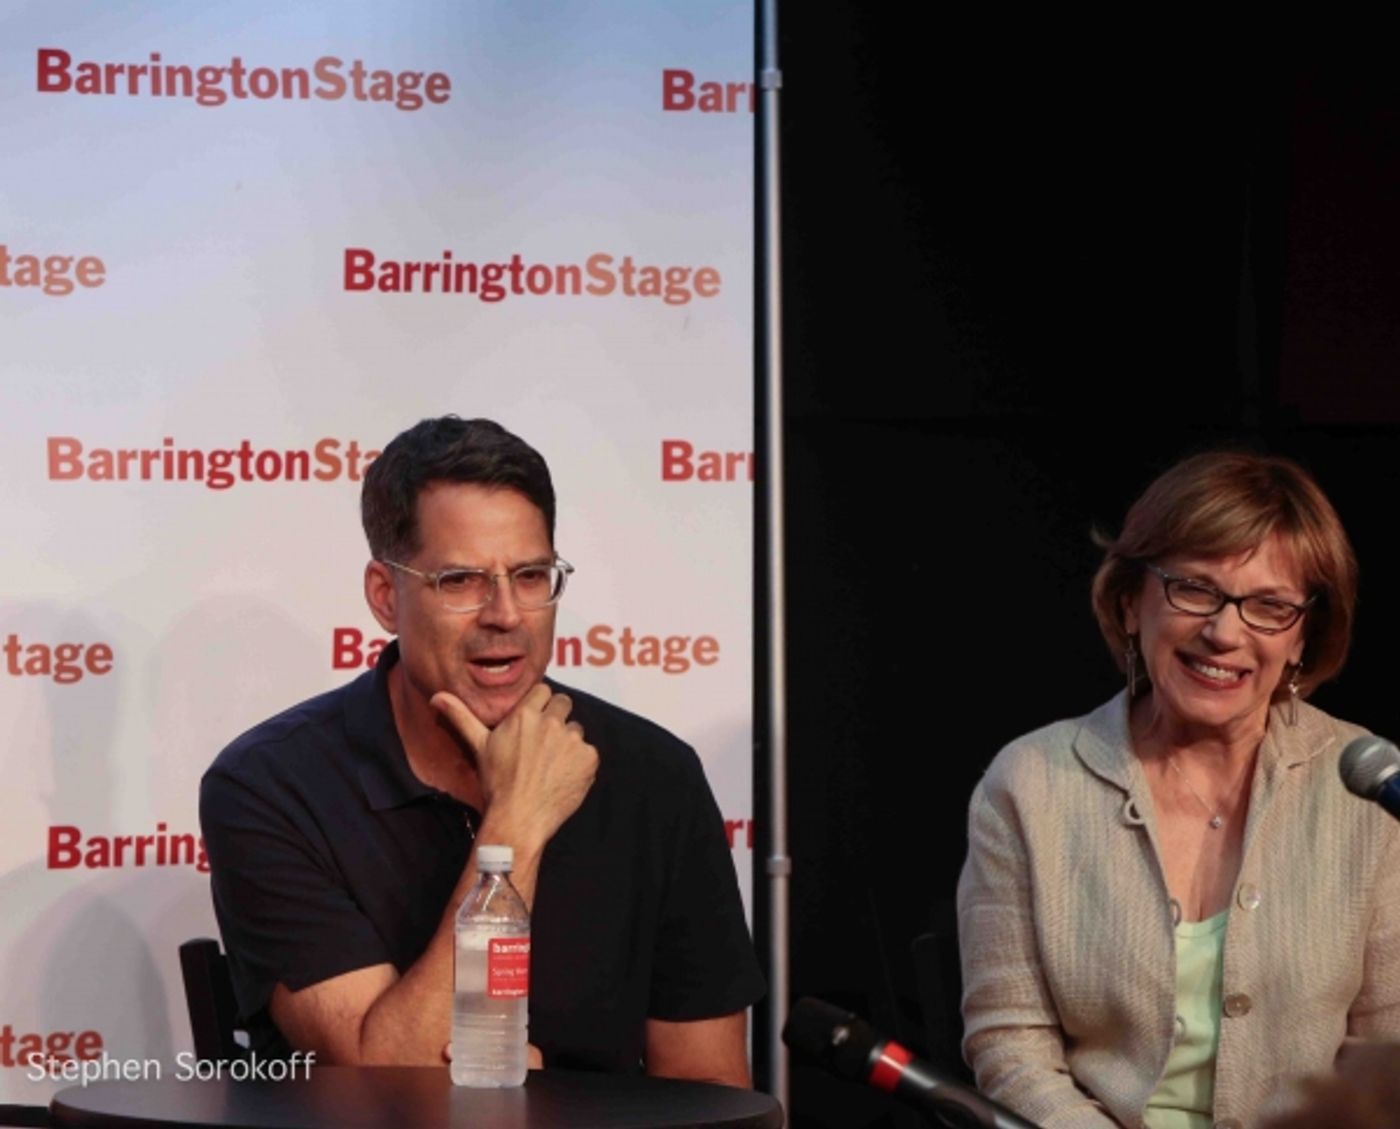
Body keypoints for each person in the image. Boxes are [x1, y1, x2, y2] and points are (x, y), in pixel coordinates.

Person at [201, 416, 763, 1084]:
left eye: (530, 575)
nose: (505, 613)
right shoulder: (271, 785)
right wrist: (518, 823)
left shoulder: (655, 776)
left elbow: (711, 1096)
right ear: (386, 595)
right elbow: (388, 1086)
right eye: (461, 580)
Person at [957, 451, 1400, 1128]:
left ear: (1303, 635)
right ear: (1131, 602)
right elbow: (1009, 1042)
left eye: (1268, 606)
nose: (1225, 632)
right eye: (1194, 589)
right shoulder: (1030, 784)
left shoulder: (1367, 788)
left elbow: (1383, 1055)